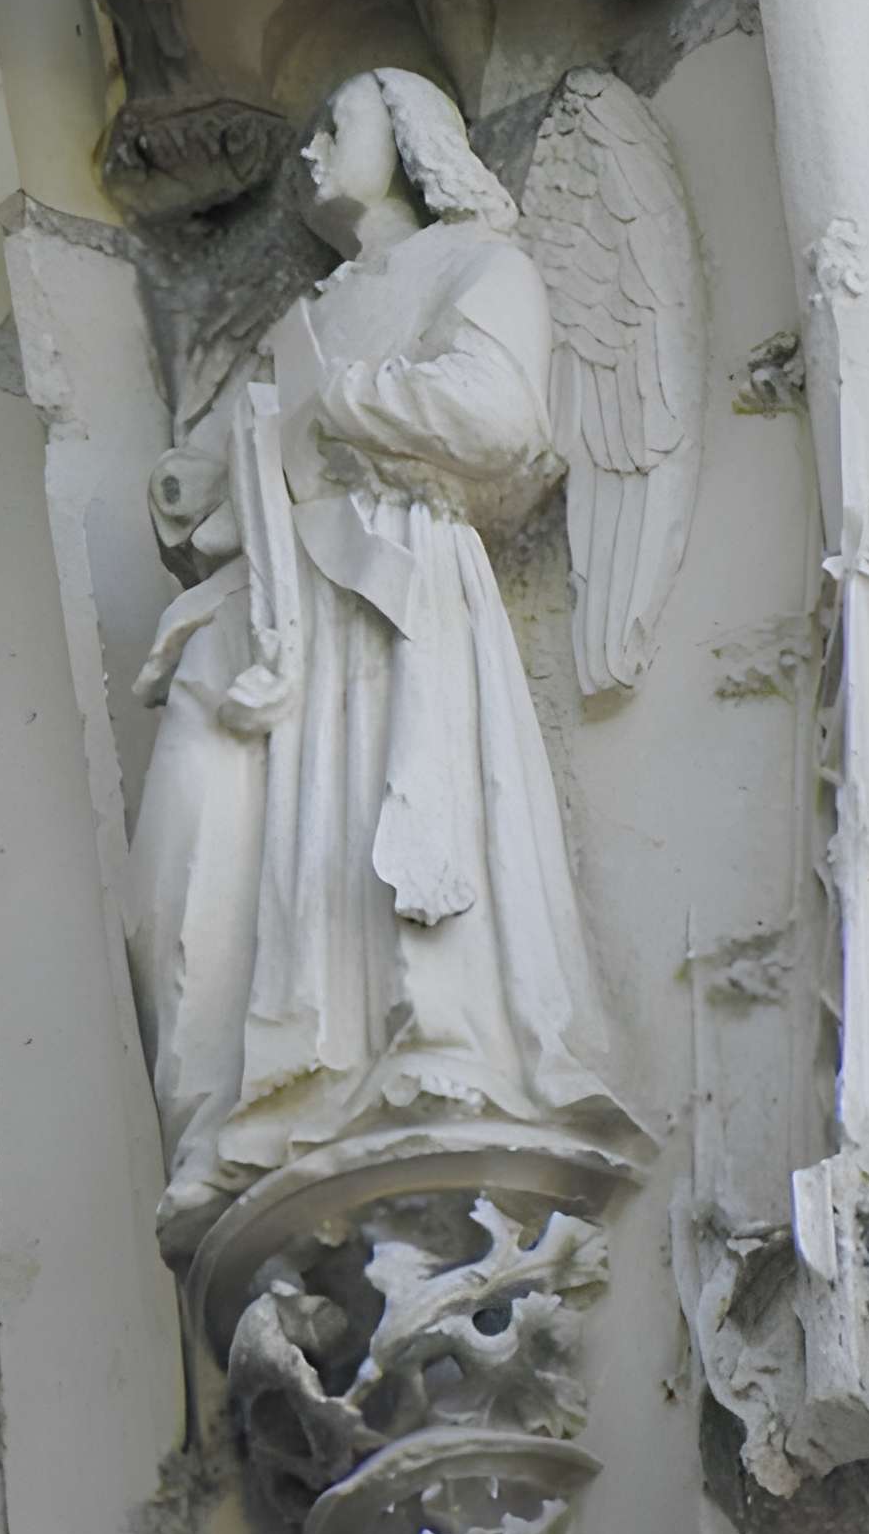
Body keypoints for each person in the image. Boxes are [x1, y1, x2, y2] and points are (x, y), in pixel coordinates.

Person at [124, 68, 643, 1251]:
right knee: (177, 867)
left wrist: (336, 408)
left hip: (395, 585)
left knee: (384, 833)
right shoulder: (302, 317)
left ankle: (423, 1057)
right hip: (273, 609)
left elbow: (502, 420)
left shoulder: (478, 268)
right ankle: (243, 1117)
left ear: (408, 141)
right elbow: (220, 466)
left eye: (336, 126)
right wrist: (193, 482)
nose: (311, 152)